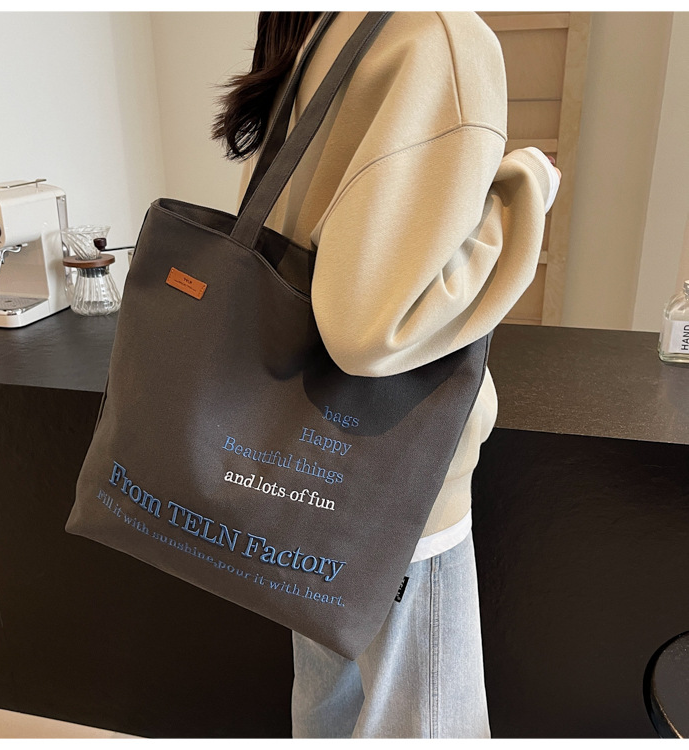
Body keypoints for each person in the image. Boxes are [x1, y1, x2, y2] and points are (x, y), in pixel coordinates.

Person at [212, 11, 561, 739]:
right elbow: (375, 330)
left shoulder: (328, 29)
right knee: (424, 723)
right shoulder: (441, 35)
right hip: (395, 477)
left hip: (299, 463)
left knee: (328, 710)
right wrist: (523, 191)